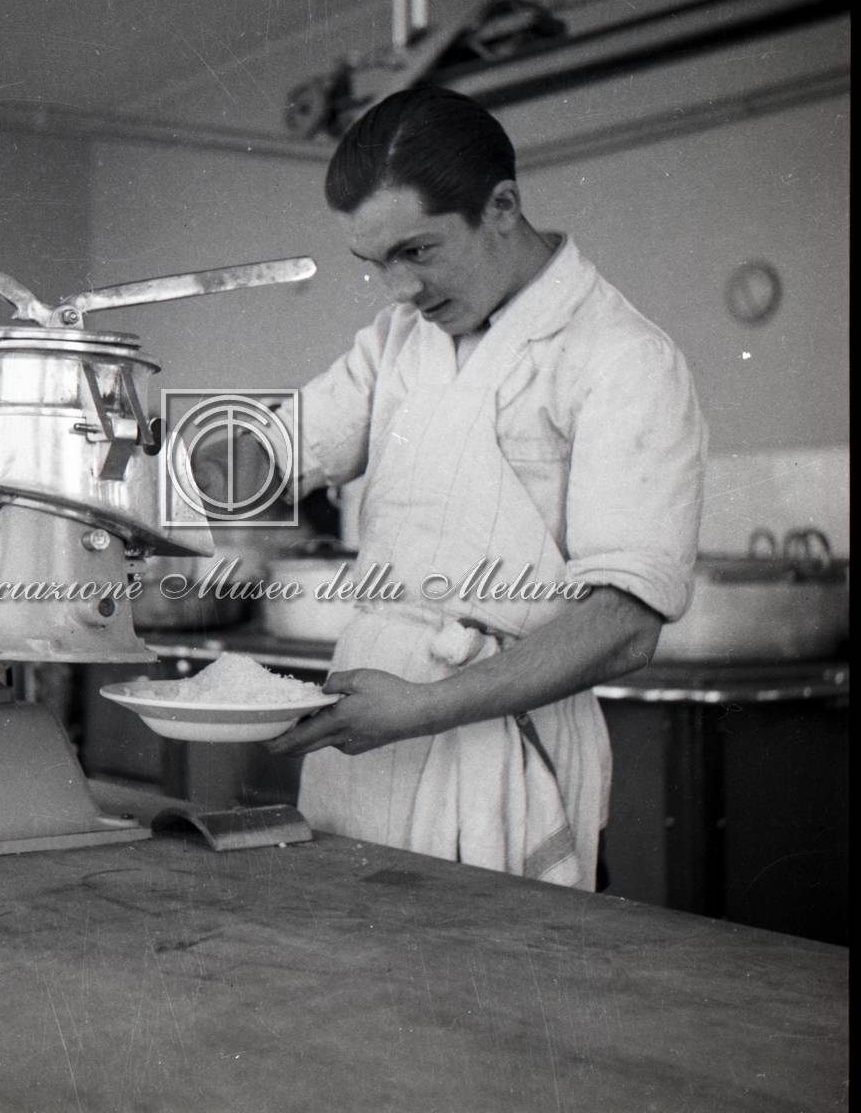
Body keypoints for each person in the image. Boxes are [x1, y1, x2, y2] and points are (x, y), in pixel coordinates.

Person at [196, 86, 706, 890]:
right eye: (375, 264)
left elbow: (624, 626)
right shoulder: (400, 338)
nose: (398, 289)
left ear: (501, 206)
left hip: (488, 735)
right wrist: (185, 474)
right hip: (369, 720)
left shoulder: (622, 358)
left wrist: (423, 708)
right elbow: (265, 452)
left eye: (417, 251)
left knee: (482, 961)